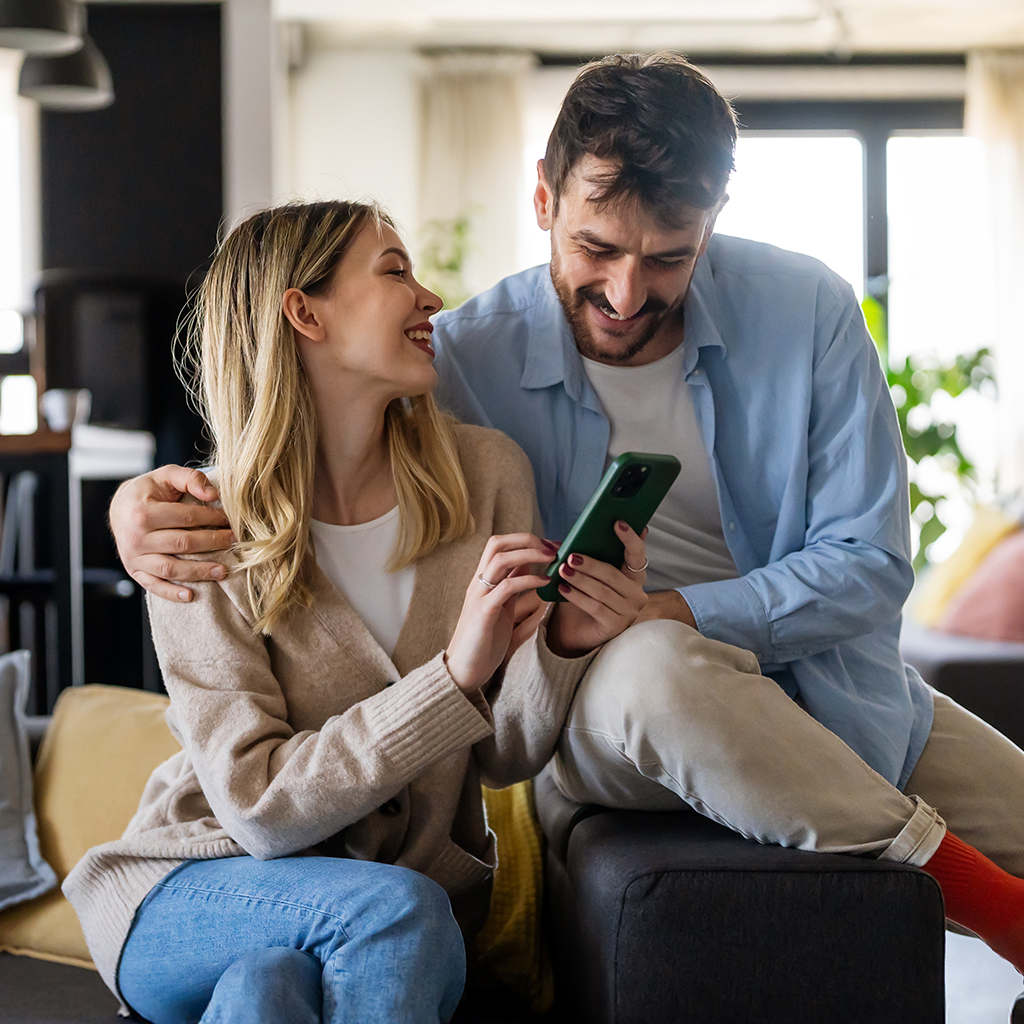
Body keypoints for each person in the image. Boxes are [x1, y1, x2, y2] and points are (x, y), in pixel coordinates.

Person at [109, 54, 1024, 987]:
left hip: (826, 688)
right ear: (543, 198)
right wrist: (132, 506)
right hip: (616, 704)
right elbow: (289, 438)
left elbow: (869, 563)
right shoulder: (461, 358)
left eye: (669, 256)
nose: (628, 294)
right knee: (654, 670)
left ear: (712, 222)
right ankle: (980, 898)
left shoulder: (809, 310)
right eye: (598, 250)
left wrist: (669, 608)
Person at [64, 199, 650, 1024]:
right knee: (401, 910)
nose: (431, 297)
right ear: (305, 312)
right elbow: (259, 806)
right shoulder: (198, 527)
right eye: (394, 272)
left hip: (381, 908)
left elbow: (504, 754)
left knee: (270, 990)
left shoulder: (487, 476)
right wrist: (453, 677)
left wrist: (561, 642)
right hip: (192, 889)